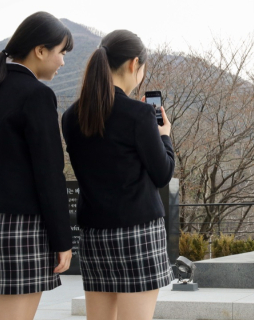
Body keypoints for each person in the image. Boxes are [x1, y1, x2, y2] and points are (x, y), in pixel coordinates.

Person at [0, 12, 74, 320]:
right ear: (40, 51)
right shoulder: (37, 95)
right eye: (61, 53)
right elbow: (49, 174)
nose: (62, 62)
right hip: (20, 228)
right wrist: (63, 240)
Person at [61, 30, 175, 320]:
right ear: (134, 64)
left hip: (94, 234)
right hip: (138, 231)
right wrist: (165, 136)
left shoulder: (72, 117)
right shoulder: (139, 114)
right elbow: (162, 174)